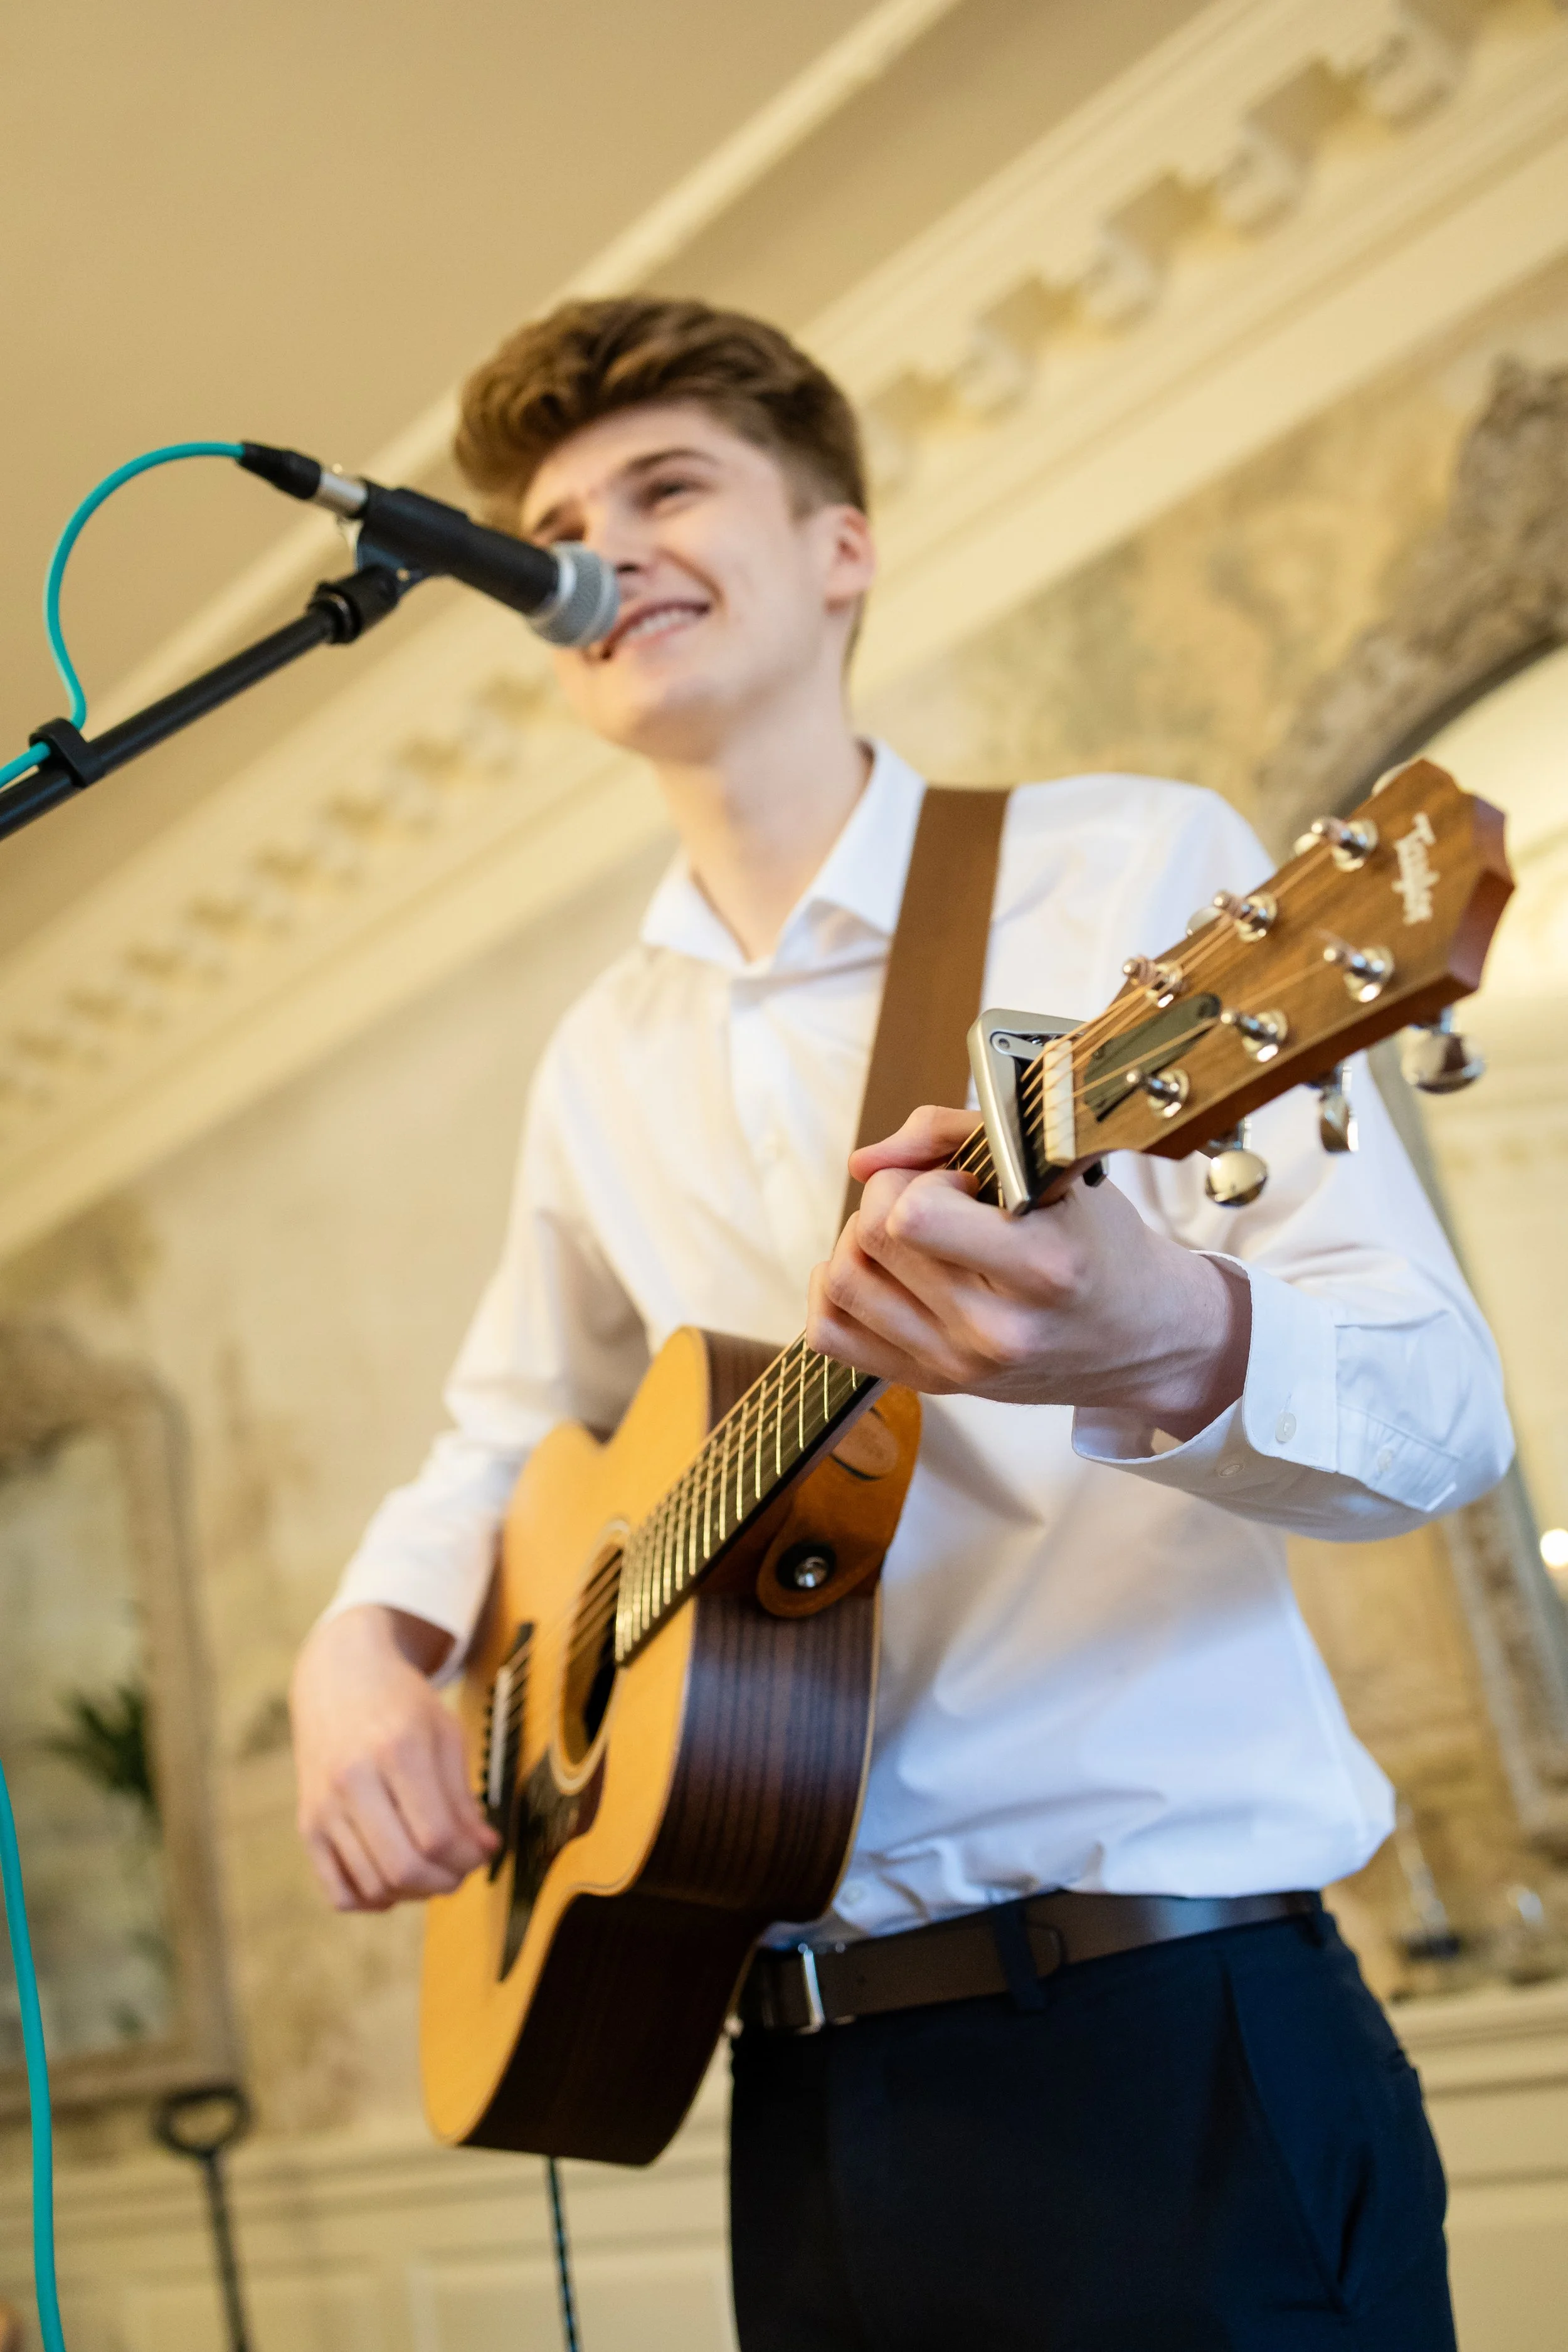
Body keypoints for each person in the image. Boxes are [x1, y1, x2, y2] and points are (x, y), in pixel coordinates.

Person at [289, 296, 1512, 2349]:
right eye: (560, 523)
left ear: (837, 545)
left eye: (667, 486)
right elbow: (504, 1431)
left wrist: (1160, 1337)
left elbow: (1443, 1413)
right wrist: (361, 1644)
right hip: (797, 2080)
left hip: (1163, 2035)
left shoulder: (1126, 865)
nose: (599, 544)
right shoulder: (601, 1056)